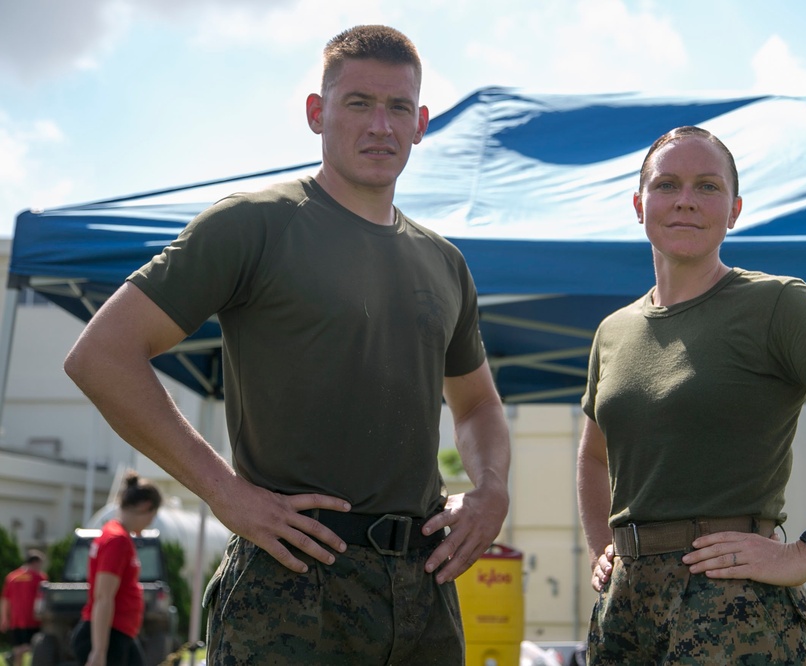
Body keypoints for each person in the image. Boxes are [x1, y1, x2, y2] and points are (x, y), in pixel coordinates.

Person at [63, 24, 510, 665]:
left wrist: (491, 490)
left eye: (398, 107)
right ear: (316, 113)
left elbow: (478, 407)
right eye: (358, 103)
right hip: (291, 584)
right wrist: (222, 491)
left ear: (421, 123)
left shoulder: (443, 263)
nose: (380, 125)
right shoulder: (253, 225)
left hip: (423, 591)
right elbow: (102, 355)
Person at [576, 126, 806, 664]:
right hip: (624, 609)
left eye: (707, 186)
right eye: (667, 184)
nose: (686, 200)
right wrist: (602, 545)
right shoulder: (613, 331)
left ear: (735, 209)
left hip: (730, 604)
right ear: (638, 205)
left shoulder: (778, 304)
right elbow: (594, 456)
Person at [71, 473, 162, 666]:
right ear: (146, 507)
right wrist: (99, 651)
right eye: (152, 516)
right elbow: (103, 596)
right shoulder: (117, 540)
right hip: (108, 635)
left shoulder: (116, 534)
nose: (150, 523)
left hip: (117, 632)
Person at [1, 550, 48, 666]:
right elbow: (44, 599)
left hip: (15, 620)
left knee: (19, 650)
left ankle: (13, 655)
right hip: (33, 619)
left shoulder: (12, 577)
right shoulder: (40, 578)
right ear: (35, 562)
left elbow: (5, 600)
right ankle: (13, 654)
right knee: (35, 647)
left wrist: (3, 618)